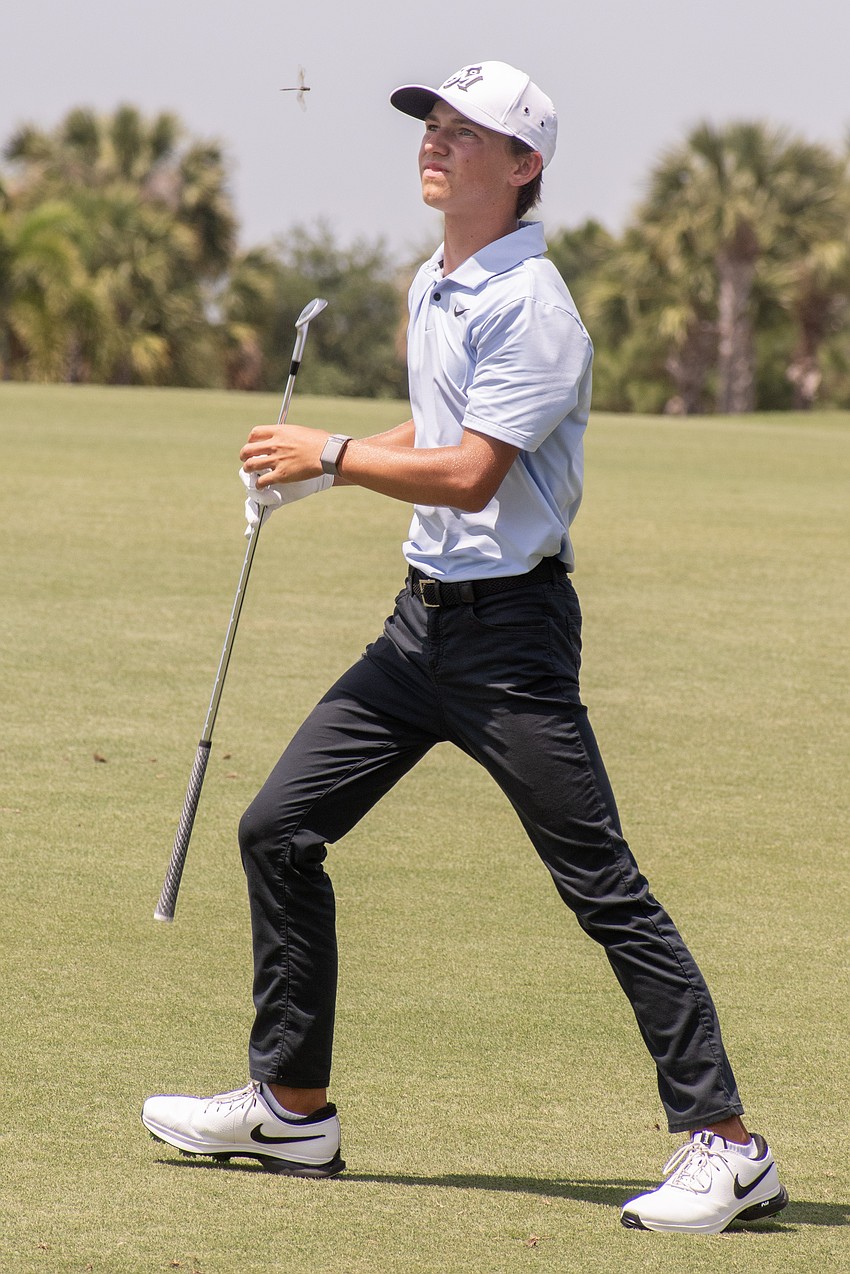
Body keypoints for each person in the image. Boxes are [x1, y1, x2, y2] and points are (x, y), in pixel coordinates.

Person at [142, 61, 787, 1235]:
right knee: (278, 827)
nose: (435, 142)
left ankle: (727, 1143)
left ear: (523, 164)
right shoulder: (431, 283)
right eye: (430, 124)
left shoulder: (533, 306)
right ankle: (293, 1105)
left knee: (603, 888)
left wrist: (331, 454)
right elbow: (433, 435)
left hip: (512, 645)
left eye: (464, 131)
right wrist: (317, 476)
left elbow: (473, 471)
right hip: (420, 624)